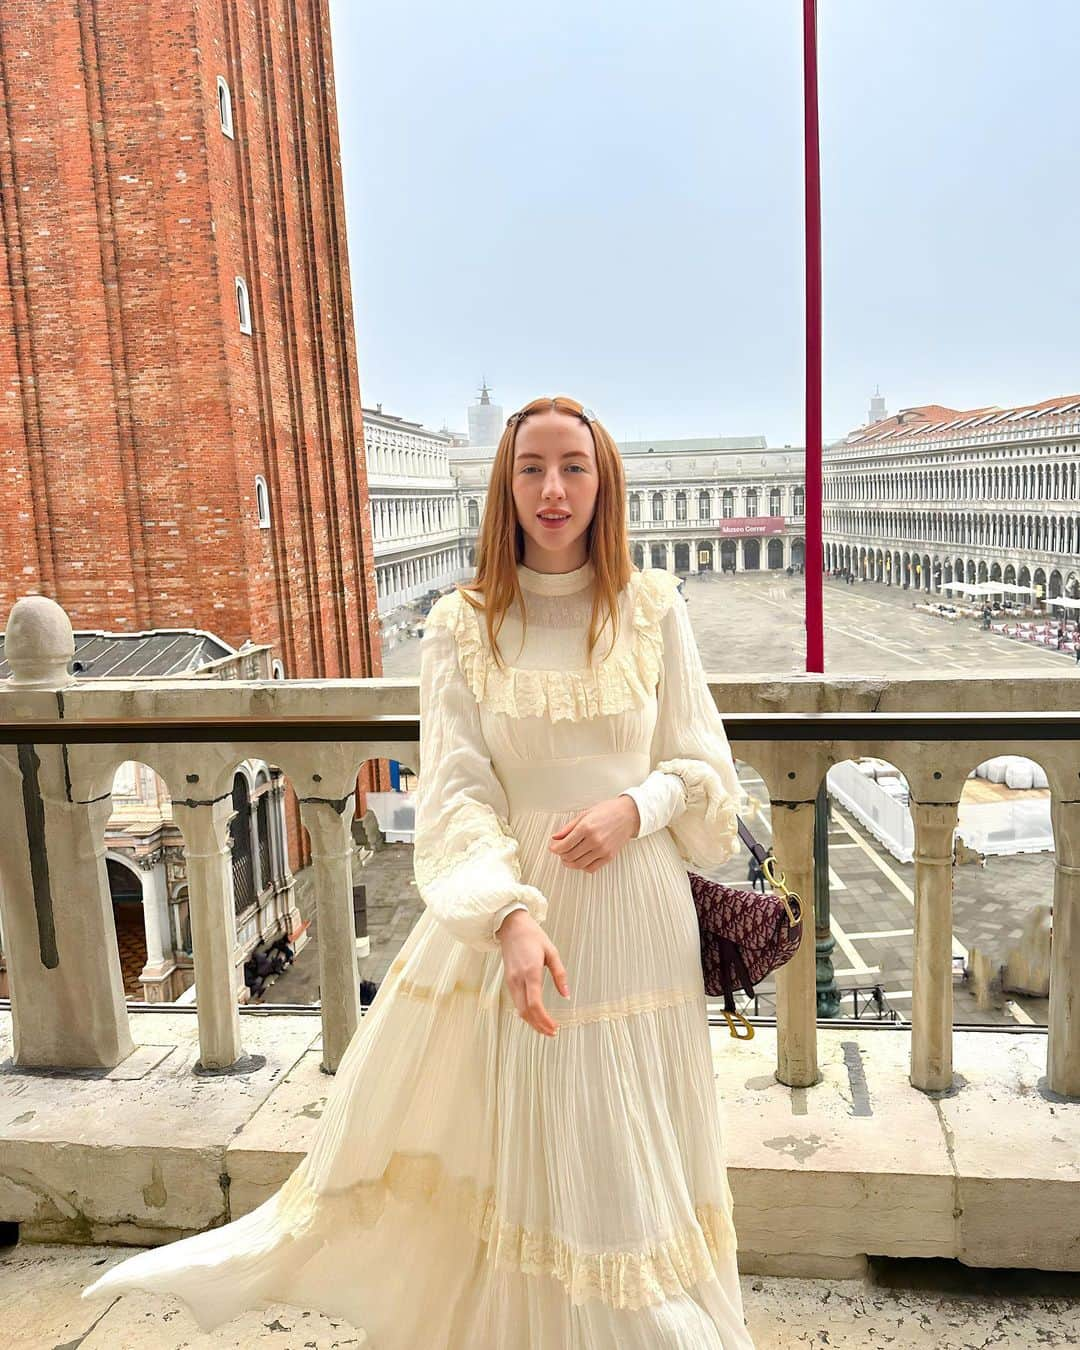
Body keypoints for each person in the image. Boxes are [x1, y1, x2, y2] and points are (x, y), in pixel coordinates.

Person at [81, 396, 756, 1348]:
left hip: (641, 915)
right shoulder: (463, 623)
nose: (553, 489)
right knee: (549, 1150)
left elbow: (702, 768)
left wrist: (631, 808)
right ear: (505, 486)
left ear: (604, 481)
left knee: (638, 1142)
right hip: (525, 922)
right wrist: (510, 918)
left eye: (574, 466)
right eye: (531, 468)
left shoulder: (652, 608)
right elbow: (454, 796)